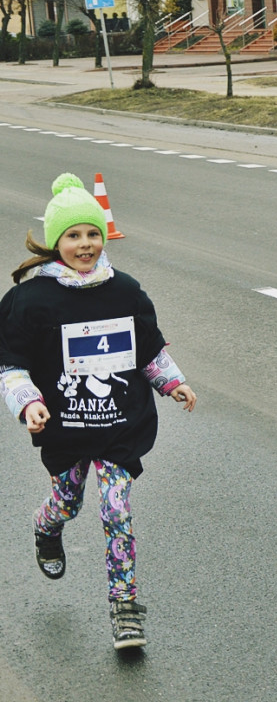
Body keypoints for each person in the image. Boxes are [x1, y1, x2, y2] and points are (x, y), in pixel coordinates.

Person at [0, 173, 197, 649]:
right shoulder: (31, 299)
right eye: (72, 235)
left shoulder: (125, 291)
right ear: (55, 242)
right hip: (66, 429)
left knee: (116, 511)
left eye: (92, 233)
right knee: (69, 502)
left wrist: (173, 382)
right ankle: (45, 526)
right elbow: (10, 365)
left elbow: (147, 350)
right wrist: (29, 404)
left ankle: (125, 610)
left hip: (118, 427)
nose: (84, 244)